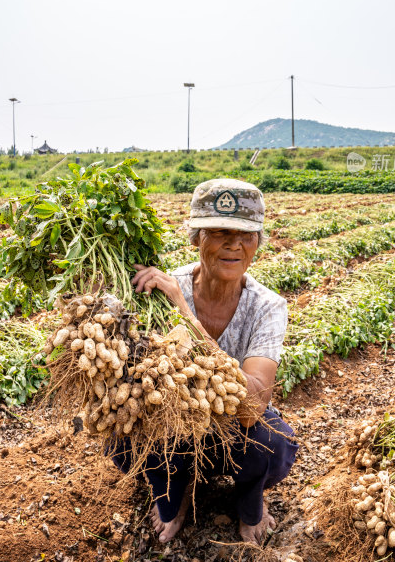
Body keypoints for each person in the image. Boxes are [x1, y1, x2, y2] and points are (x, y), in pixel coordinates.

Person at [109, 178, 298, 545]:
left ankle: (249, 500)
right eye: (218, 232)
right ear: (195, 238)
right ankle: (174, 495)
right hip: (176, 420)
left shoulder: (267, 306)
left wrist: (187, 318)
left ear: (258, 242)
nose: (234, 244)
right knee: (123, 439)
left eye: (246, 234)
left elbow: (252, 406)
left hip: (237, 430)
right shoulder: (162, 289)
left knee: (273, 447)